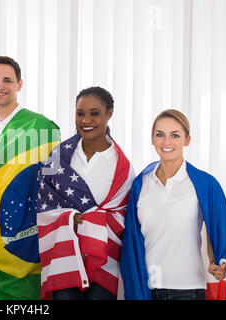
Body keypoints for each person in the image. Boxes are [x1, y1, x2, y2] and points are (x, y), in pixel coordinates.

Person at [0, 56, 61, 299]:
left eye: (7, 80)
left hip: (25, 240)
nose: (0, 86)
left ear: (20, 84)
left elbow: (55, 183)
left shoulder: (42, 128)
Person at [120, 109, 226, 300]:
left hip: (187, 290)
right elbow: (132, 236)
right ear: (152, 139)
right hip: (145, 289)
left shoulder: (205, 184)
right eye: (160, 135)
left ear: (187, 140)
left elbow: (217, 226)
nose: (166, 142)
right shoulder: (140, 184)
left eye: (175, 135)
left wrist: (214, 260)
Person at [36, 86, 135, 300]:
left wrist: (94, 220)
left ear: (109, 114)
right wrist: (70, 218)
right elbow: (44, 205)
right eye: (80, 113)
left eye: (95, 113)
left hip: (105, 260)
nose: (86, 120)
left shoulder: (123, 166)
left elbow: (126, 213)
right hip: (65, 258)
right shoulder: (58, 157)